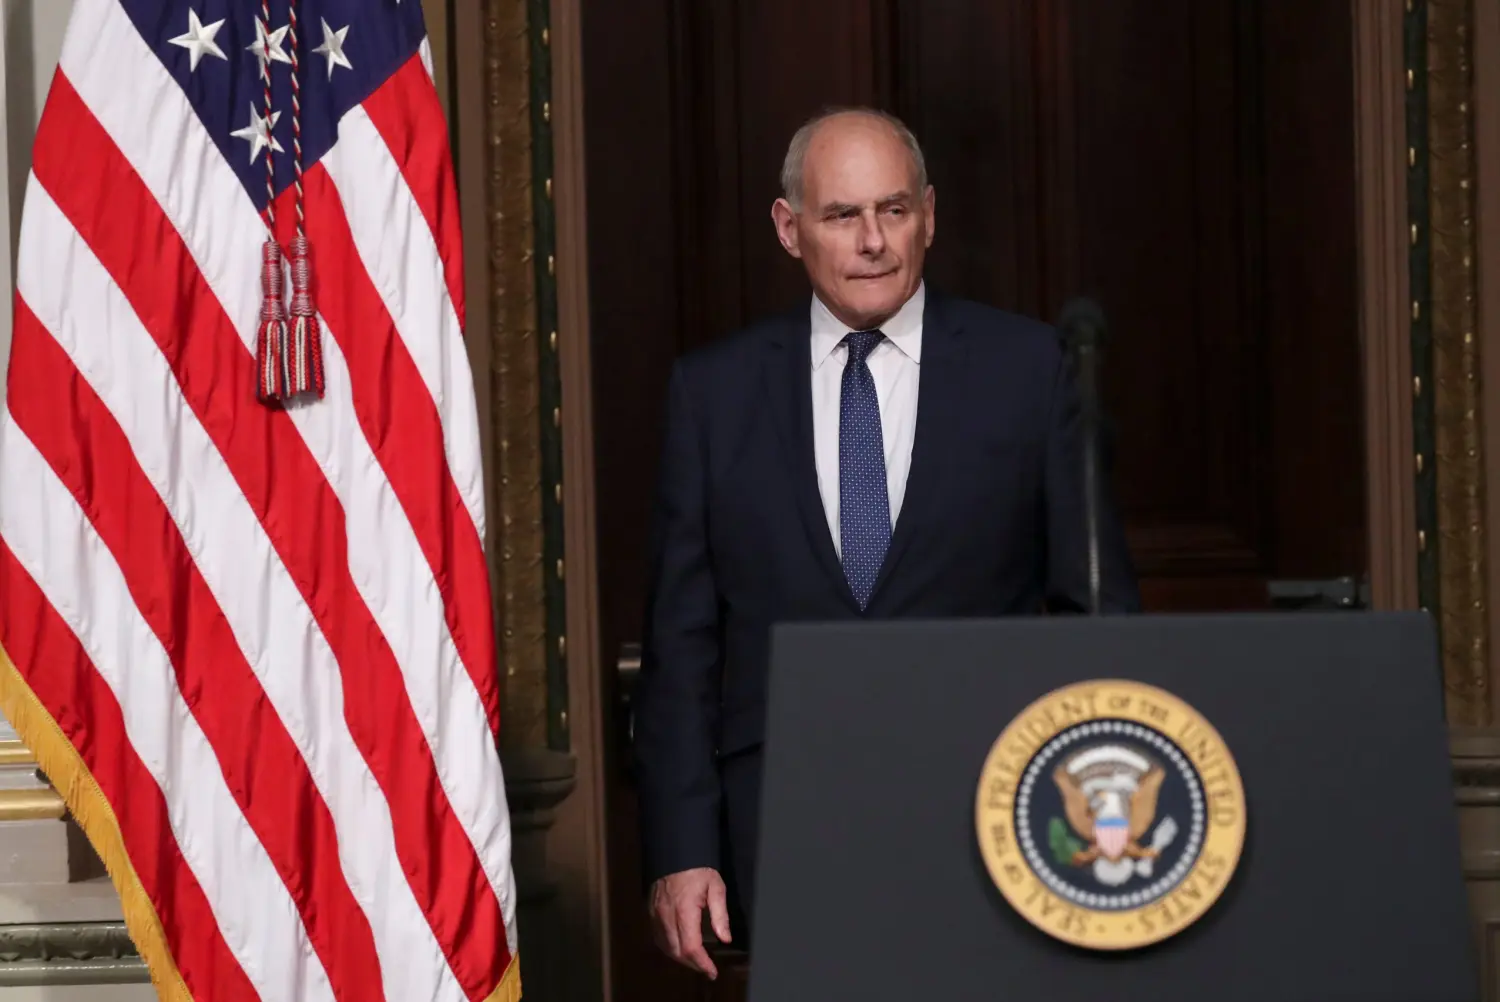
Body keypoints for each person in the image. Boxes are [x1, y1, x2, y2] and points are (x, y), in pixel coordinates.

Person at [632, 106, 1140, 979]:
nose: (872, 240)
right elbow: (681, 649)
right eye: (842, 216)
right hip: (780, 834)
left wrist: (1104, 824)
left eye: (894, 211)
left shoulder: (1029, 371)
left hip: (996, 827)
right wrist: (682, 849)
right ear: (790, 230)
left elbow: (1102, 619)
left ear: (930, 216)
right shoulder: (713, 394)